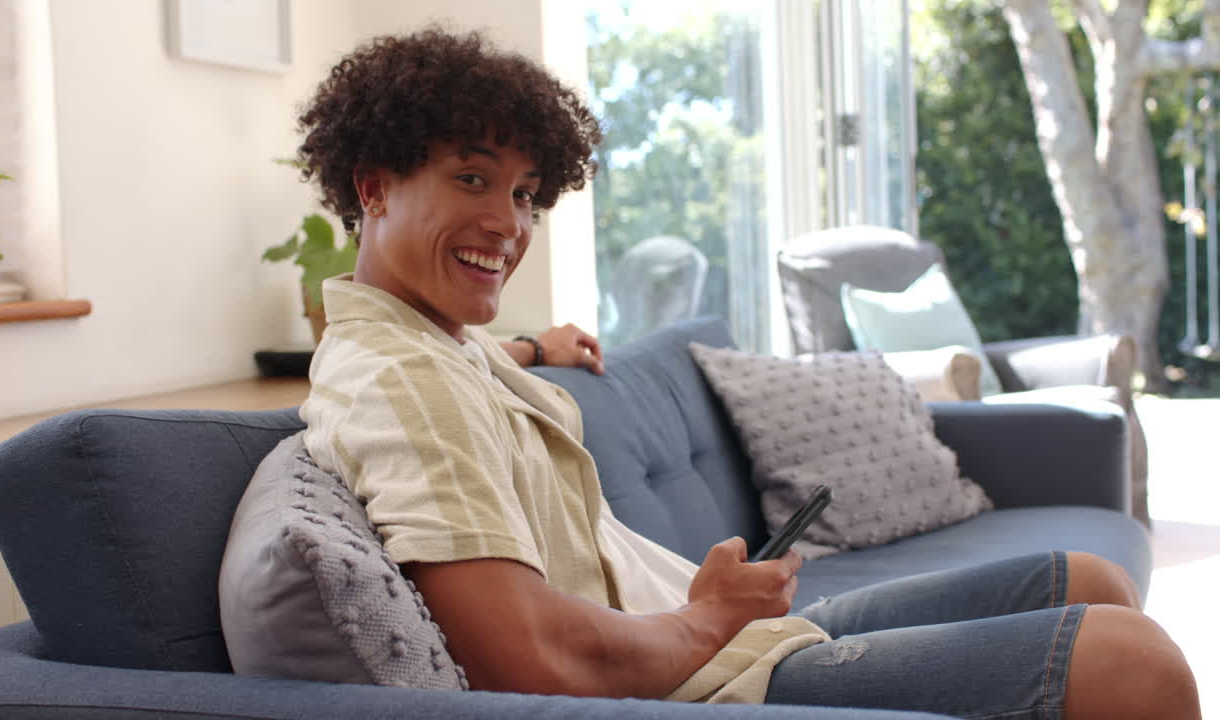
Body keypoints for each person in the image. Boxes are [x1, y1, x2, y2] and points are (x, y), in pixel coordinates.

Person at [295, 27, 1200, 718]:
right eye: (471, 179)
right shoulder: (404, 383)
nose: (509, 222)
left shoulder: (432, 346)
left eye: (526, 193)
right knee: (1136, 663)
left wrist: (534, 349)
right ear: (373, 187)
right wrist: (709, 619)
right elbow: (524, 660)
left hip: (703, 633)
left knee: (1092, 579)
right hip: (702, 678)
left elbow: (466, 380)